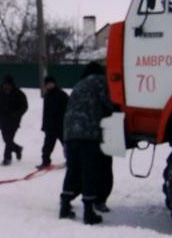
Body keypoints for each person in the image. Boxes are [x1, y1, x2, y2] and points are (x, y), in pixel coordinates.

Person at [58, 62, 115, 225]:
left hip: (70, 133)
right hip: (89, 134)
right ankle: (89, 212)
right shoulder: (100, 81)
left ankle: (65, 206)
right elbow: (109, 103)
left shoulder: (78, 85)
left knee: (73, 170)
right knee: (90, 170)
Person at [0, 74, 29, 166]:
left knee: (8, 140)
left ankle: (7, 158)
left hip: (14, 121)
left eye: (9, 84)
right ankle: (17, 149)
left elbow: (24, 106)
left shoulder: (18, 93)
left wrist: (17, 114)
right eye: (5, 84)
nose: (7, 86)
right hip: (2, 121)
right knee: (6, 140)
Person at [38, 75, 69, 170]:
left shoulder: (62, 94)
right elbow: (45, 113)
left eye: (51, 83)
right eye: (47, 84)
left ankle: (71, 161)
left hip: (61, 125)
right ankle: (45, 162)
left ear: (54, 84)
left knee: (67, 145)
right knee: (47, 146)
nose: (49, 85)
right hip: (50, 127)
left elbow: (69, 109)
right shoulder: (47, 96)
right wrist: (44, 125)